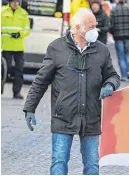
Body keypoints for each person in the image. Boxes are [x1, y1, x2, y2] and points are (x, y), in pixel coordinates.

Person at [22, 8, 120, 175]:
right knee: (59, 163)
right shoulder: (56, 48)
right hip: (63, 117)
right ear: (77, 28)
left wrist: (110, 85)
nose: (94, 30)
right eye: (91, 27)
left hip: (91, 117)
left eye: (95, 26)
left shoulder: (102, 50)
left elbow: (113, 75)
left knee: (92, 166)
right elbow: (41, 80)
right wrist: (29, 108)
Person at [1, 0, 30, 99]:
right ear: (9, 2)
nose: (16, 3)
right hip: (6, 45)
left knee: (19, 70)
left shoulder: (23, 13)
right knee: (5, 69)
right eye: (14, 1)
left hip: (18, 46)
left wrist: (20, 34)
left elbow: (27, 29)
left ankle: (16, 92)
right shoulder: (2, 11)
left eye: (17, 1)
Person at [109, 0, 129, 81]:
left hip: (118, 36)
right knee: (127, 54)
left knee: (121, 56)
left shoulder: (113, 10)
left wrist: (113, 32)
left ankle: (124, 75)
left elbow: (111, 24)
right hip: (127, 35)